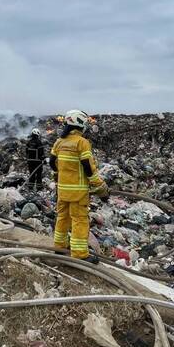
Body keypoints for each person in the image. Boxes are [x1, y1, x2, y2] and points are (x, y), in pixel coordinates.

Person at [49, 110, 109, 263]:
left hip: (62, 190)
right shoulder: (82, 142)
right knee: (80, 220)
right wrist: (100, 187)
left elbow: (52, 162)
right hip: (78, 192)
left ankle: (59, 247)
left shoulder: (59, 142)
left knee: (62, 217)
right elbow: (88, 167)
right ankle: (80, 253)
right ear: (81, 123)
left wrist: (60, 174)